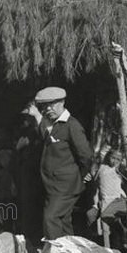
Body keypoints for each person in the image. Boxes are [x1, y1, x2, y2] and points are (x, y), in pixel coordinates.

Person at [36, 86, 93, 239]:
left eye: (52, 104)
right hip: (52, 185)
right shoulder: (50, 125)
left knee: (51, 218)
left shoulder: (72, 125)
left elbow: (86, 155)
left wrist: (80, 177)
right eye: (45, 106)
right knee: (63, 222)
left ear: (62, 103)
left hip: (66, 186)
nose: (48, 109)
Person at [14, 103, 44, 244]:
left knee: (37, 209)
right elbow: (18, 150)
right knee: (27, 209)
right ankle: (29, 240)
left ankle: (36, 240)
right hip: (27, 174)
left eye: (28, 117)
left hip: (39, 175)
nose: (26, 120)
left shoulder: (41, 130)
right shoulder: (25, 132)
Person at [87, 149, 127, 248]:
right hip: (105, 201)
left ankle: (122, 245)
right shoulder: (102, 168)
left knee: (114, 224)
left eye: (118, 159)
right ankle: (106, 249)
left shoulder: (120, 171)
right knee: (103, 226)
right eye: (113, 158)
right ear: (108, 156)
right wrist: (95, 204)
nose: (114, 161)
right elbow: (97, 187)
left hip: (117, 201)